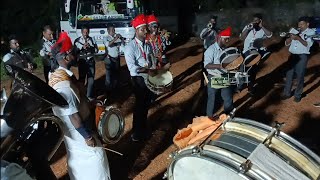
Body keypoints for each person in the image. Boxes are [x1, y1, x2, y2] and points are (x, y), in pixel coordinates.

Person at [49, 32, 111, 180]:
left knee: (81, 163)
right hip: (79, 133)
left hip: (76, 131)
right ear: (65, 56)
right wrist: (88, 137)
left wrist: (89, 103)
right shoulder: (63, 85)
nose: (75, 55)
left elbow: (73, 104)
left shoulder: (60, 76)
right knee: (96, 159)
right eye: (73, 53)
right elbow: (73, 115)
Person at [124, 14, 156, 142]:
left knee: (146, 105)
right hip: (138, 80)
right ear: (136, 30)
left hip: (147, 77)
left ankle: (143, 129)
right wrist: (148, 69)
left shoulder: (147, 45)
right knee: (139, 106)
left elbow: (150, 60)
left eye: (145, 29)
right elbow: (132, 68)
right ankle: (136, 133)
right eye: (142, 29)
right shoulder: (130, 47)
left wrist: (154, 67)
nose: (145, 32)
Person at [282, 16, 315, 102]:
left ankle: (298, 94)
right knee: (289, 75)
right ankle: (287, 93)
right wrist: (290, 36)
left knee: (300, 76)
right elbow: (286, 43)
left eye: (302, 24)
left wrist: (298, 38)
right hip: (292, 55)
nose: (300, 26)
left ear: (307, 24)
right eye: (299, 24)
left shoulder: (311, 32)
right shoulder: (295, 30)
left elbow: (307, 45)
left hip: (302, 56)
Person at [239, 13, 272, 95]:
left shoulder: (262, 31)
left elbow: (270, 35)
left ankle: (250, 88)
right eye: (254, 21)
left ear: (260, 21)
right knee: (242, 70)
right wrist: (247, 29)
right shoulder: (248, 27)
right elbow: (241, 37)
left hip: (255, 53)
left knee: (252, 72)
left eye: (257, 21)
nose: (255, 22)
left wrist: (262, 26)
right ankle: (240, 86)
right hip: (246, 52)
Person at [204, 27, 234, 117]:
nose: (228, 41)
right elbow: (207, 65)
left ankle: (228, 116)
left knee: (228, 97)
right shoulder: (211, 50)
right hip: (214, 76)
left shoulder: (225, 49)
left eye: (228, 39)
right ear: (220, 38)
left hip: (224, 76)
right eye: (226, 39)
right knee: (212, 99)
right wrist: (221, 66)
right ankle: (209, 118)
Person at [74, 26, 98, 100]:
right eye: (84, 32)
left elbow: (96, 50)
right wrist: (81, 47)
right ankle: (81, 95)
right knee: (82, 79)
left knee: (91, 79)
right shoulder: (77, 40)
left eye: (87, 32)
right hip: (82, 62)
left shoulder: (92, 39)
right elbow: (74, 52)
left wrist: (90, 47)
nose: (85, 33)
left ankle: (89, 96)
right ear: (81, 32)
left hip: (90, 60)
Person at [199, 15, 218, 88]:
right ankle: (202, 84)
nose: (213, 23)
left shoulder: (216, 31)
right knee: (204, 67)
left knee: (213, 67)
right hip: (206, 50)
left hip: (214, 51)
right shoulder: (205, 30)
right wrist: (209, 30)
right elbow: (202, 37)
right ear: (209, 22)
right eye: (211, 21)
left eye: (214, 21)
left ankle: (212, 84)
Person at [103, 25, 123, 92]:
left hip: (116, 58)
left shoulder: (116, 38)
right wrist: (115, 38)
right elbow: (108, 44)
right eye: (112, 30)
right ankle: (108, 89)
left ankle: (115, 88)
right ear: (108, 31)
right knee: (109, 75)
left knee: (116, 74)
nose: (114, 31)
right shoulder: (106, 38)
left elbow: (123, 44)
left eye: (114, 30)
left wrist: (121, 38)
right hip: (109, 58)